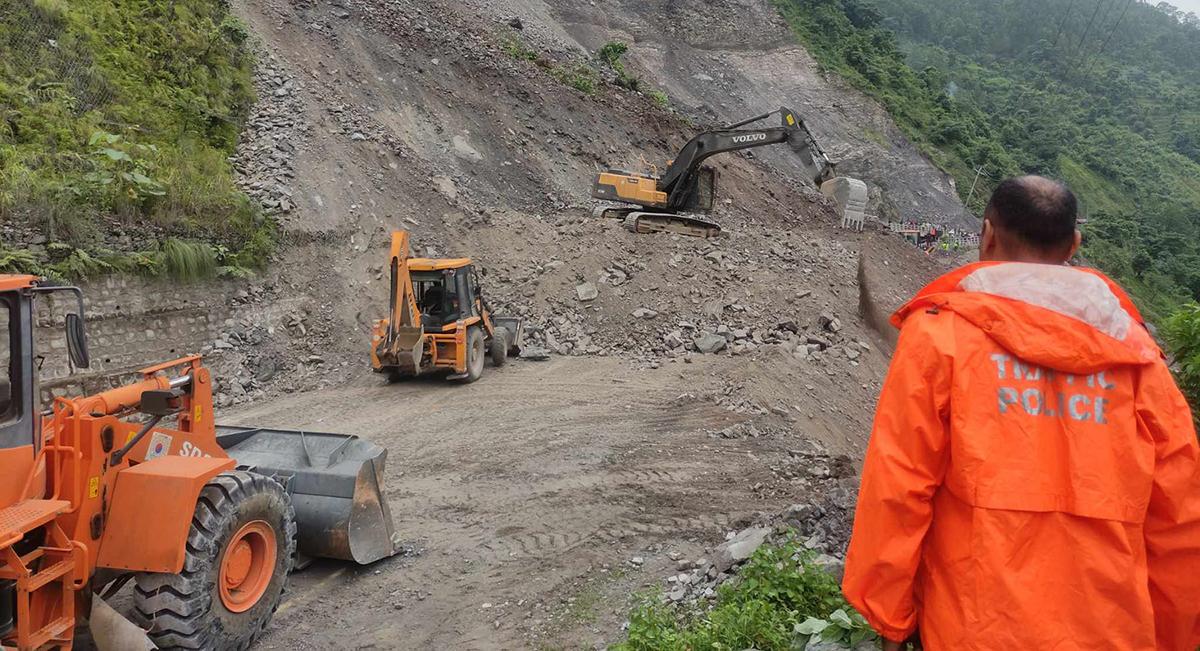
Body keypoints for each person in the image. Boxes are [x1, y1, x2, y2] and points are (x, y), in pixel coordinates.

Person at [842, 176, 1200, 651]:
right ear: (1074, 244)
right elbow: (1178, 517)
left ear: (986, 234)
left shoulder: (939, 336)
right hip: (1111, 629)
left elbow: (898, 488)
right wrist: (1174, 636)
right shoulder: (1139, 360)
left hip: (971, 627)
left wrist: (890, 618)